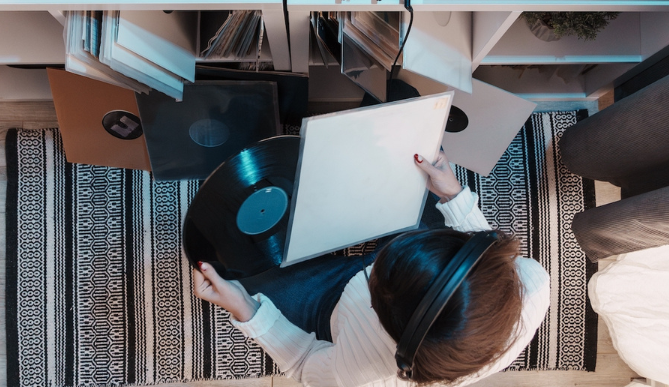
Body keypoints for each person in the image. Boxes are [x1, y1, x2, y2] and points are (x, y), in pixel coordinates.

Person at [192, 151, 551, 387]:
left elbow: (303, 361)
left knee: (231, 265)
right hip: (434, 265)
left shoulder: (363, 376)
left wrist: (246, 311)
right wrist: (454, 196)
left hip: (333, 307)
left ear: (378, 309)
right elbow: (483, 251)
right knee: (406, 146)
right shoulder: (532, 284)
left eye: (376, 278)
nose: (373, 266)